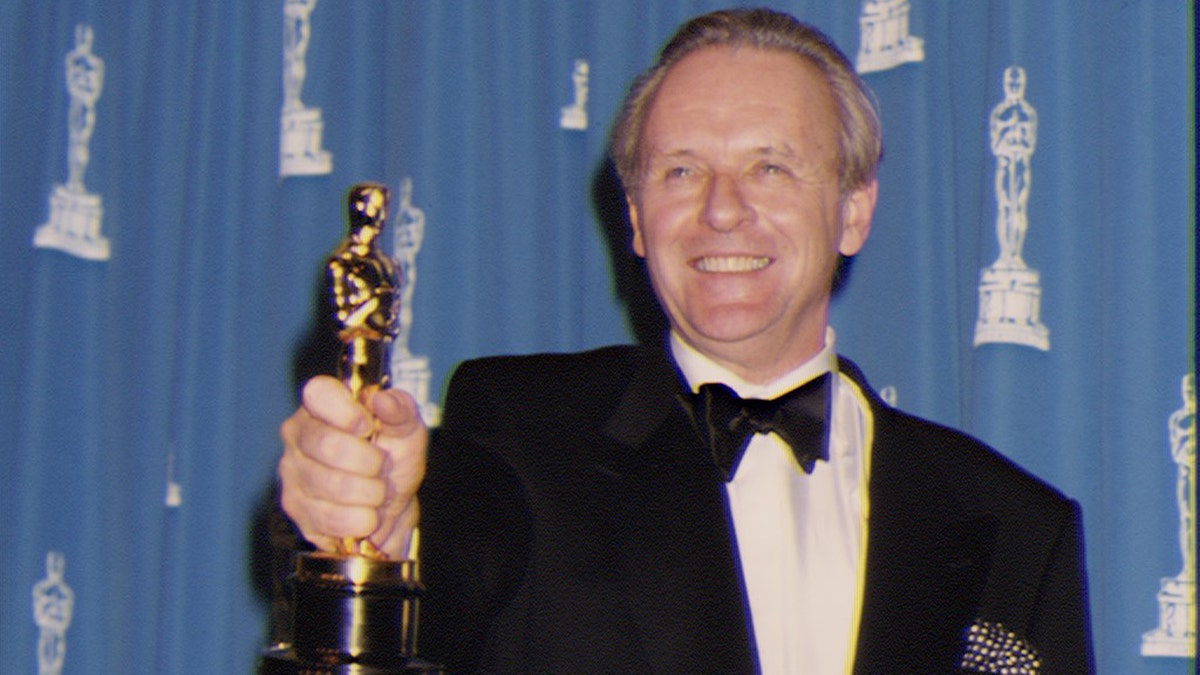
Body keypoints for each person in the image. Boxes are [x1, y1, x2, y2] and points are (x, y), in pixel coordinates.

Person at [277, 8, 1093, 673]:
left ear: (854, 209)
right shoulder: (520, 432)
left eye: (771, 167)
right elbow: (440, 572)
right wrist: (380, 527)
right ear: (634, 218)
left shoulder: (1012, 527)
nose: (722, 209)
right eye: (679, 170)